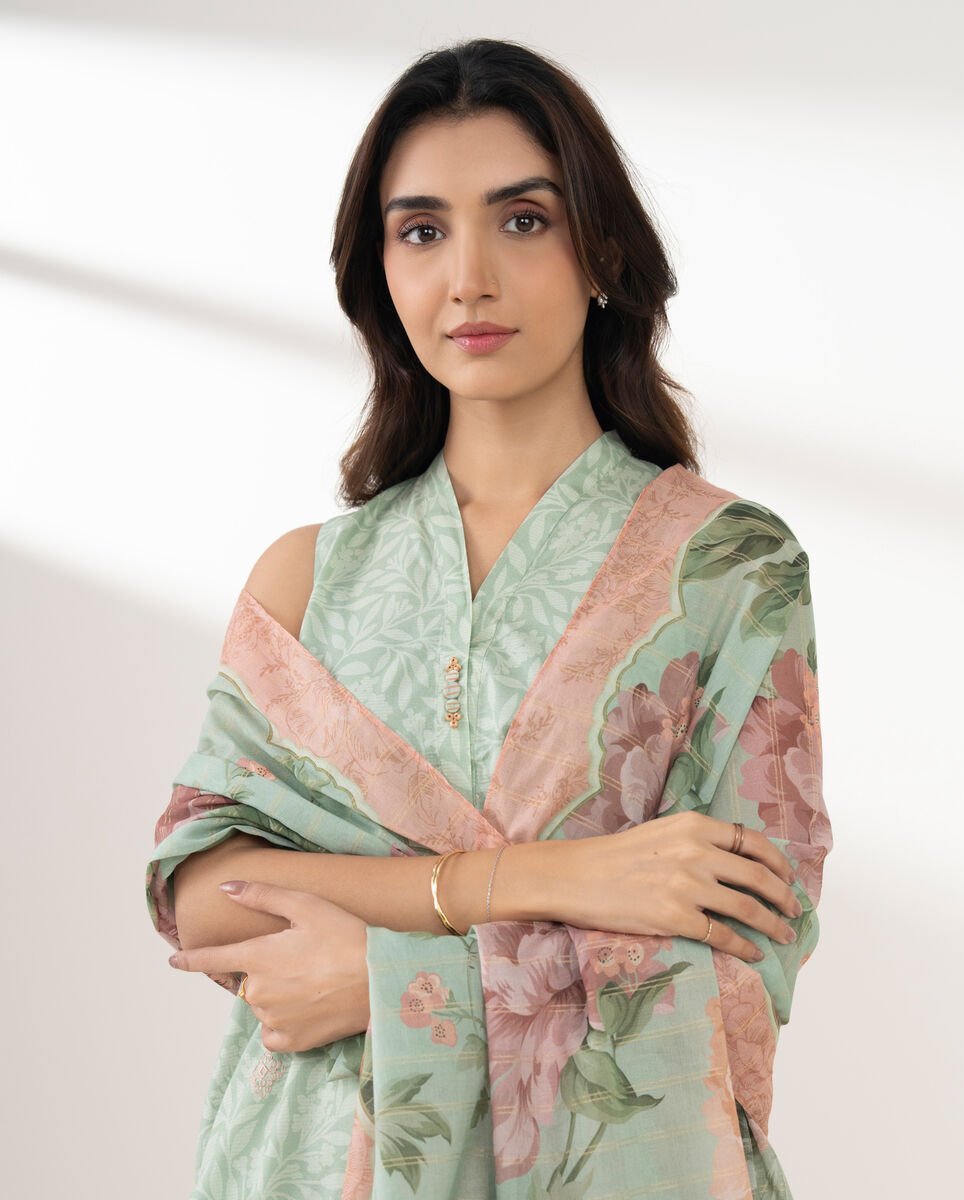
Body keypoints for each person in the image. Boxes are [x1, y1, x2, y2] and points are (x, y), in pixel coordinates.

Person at [146, 37, 832, 1199]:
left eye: (522, 220)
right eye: (421, 231)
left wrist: (384, 979)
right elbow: (207, 899)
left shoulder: (727, 567)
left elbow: (737, 963)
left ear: (601, 251)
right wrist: (548, 880)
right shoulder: (309, 581)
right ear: (379, 273)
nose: (468, 277)